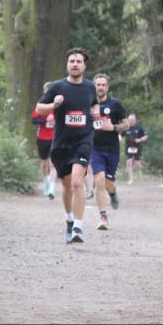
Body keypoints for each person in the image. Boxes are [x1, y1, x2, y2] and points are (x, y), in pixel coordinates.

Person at [36, 48, 99, 244]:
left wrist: (95, 112)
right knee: (66, 186)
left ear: (84, 65)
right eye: (71, 61)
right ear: (67, 64)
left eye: (78, 61)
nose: (75, 64)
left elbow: (94, 104)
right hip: (61, 143)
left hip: (83, 141)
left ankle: (78, 228)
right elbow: (39, 108)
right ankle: (70, 221)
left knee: (77, 182)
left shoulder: (90, 88)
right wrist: (53, 106)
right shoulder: (57, 87)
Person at [90, 74, 128, 230]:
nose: (100, 87)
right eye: (98, 85)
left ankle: (112, 194)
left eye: (103, 85)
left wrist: (113, 127)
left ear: (107, 87)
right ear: (94, 87)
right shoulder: (88, 105)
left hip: (112, 149)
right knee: (99, 180)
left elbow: (126, 124)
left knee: (108, 184)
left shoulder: (115, 104)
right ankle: (103, 216)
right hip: (95, 149)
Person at [30, 83, 56, 199]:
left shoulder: (58, 105)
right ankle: (46, 182)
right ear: (44, 91)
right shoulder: (41, 105)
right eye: (47, 90)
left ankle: (52, 187)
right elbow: (34, 120)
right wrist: (46, 122)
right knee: (45, 163)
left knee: (53, 163)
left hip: (55, 138)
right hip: (42, 137)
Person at [123, 113, 148, 184]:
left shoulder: (139, 127)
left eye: (132, 120)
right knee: (129, 162)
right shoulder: (126, 127)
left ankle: (133, 170)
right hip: (129, 147)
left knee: (137, 164)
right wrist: (119, 138)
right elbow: (120, 135)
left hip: (137, 147)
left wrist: (140, 139)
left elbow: (146, 136)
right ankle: (130, 179)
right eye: (129, 120)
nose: (131, 121)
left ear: (135, 120)